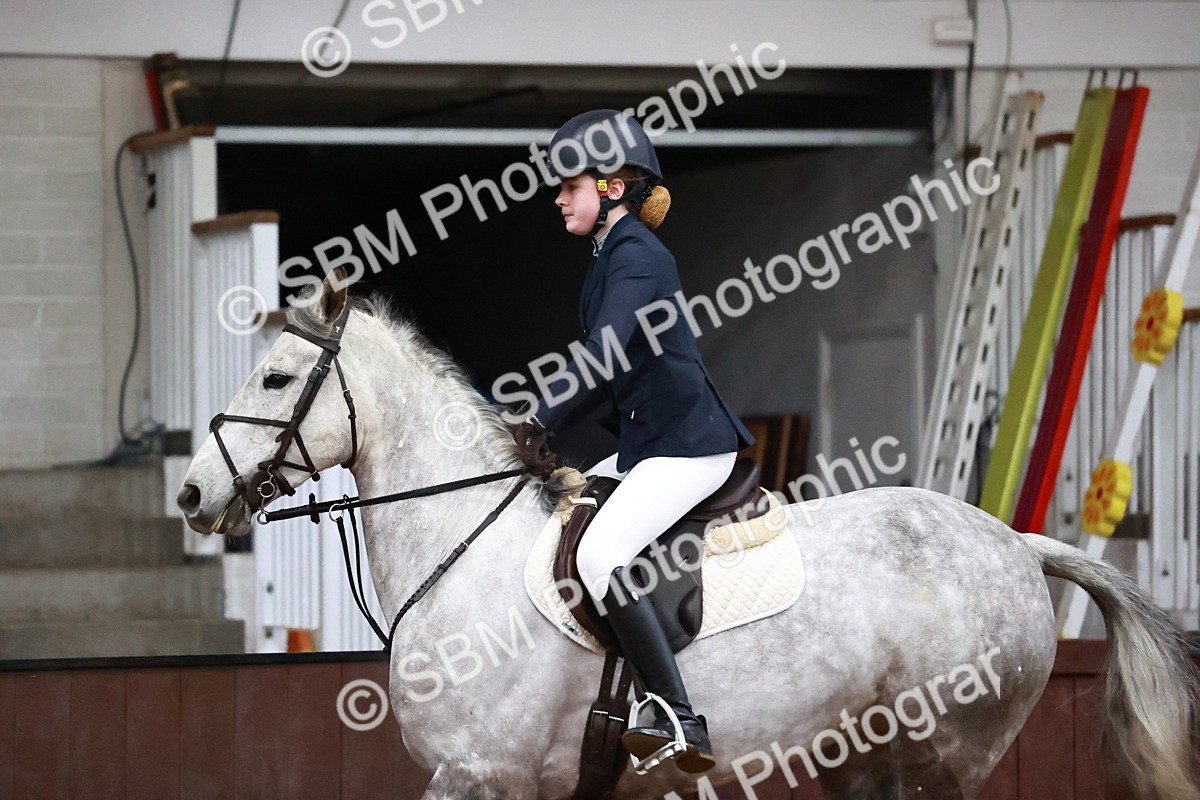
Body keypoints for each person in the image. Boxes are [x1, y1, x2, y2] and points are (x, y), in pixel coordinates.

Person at [521, 109, 754, 773]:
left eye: (570, 185)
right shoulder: (610, 258)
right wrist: (535, 428)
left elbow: (604, 353)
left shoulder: (638, 258)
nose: (558, 197)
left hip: (688, 443)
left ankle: (682, 719)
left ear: (613, 188)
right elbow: (607, 374)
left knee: (601, 554)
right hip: (647, 440)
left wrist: (542, 416)